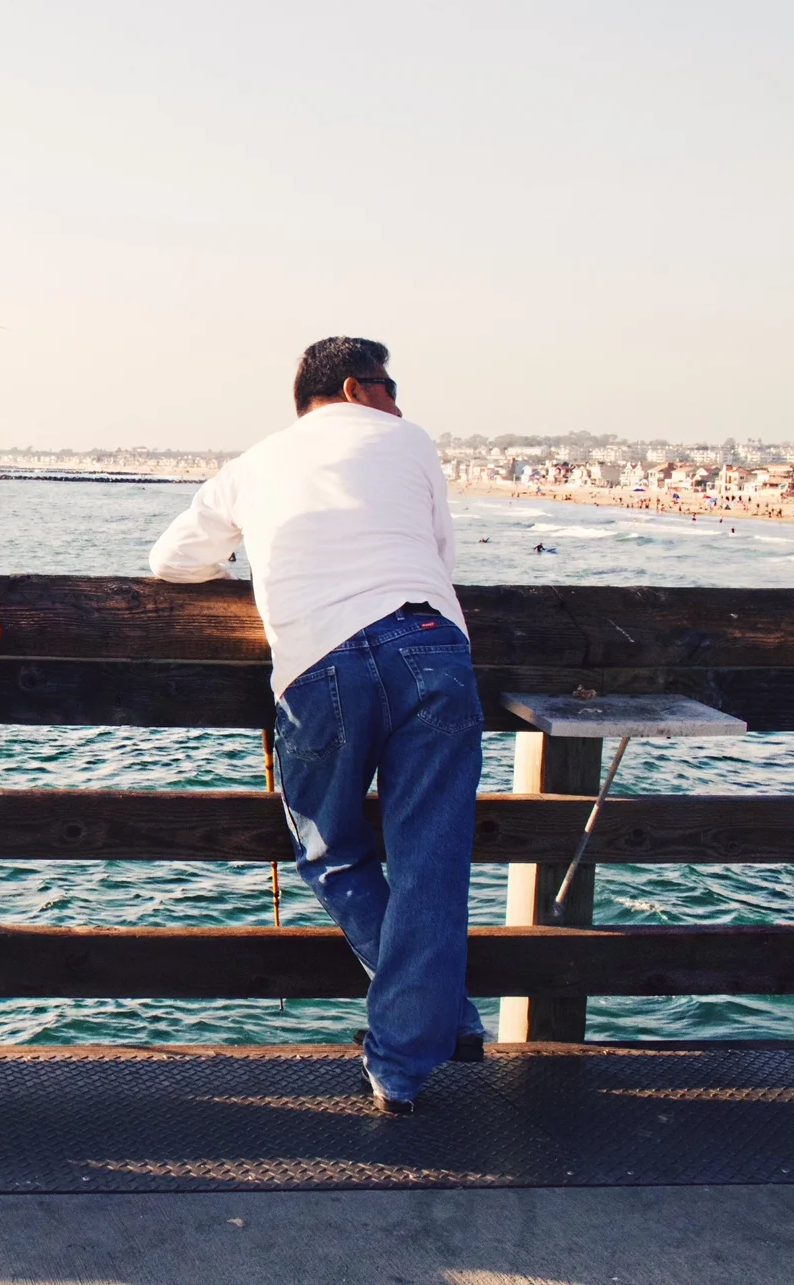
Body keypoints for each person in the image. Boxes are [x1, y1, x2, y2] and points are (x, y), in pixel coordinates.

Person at [148, 337, 485, 1114]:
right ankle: (409, 1054)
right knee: (432, 862)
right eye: (390, 385)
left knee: (331, 853)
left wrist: (242, 570)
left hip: (320, 660)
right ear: (354, 387)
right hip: (430, 643)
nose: (398, 401)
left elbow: (171, 559)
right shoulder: (409, 440)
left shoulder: (254, 464)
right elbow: (440, 554)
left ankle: (428, 1024)